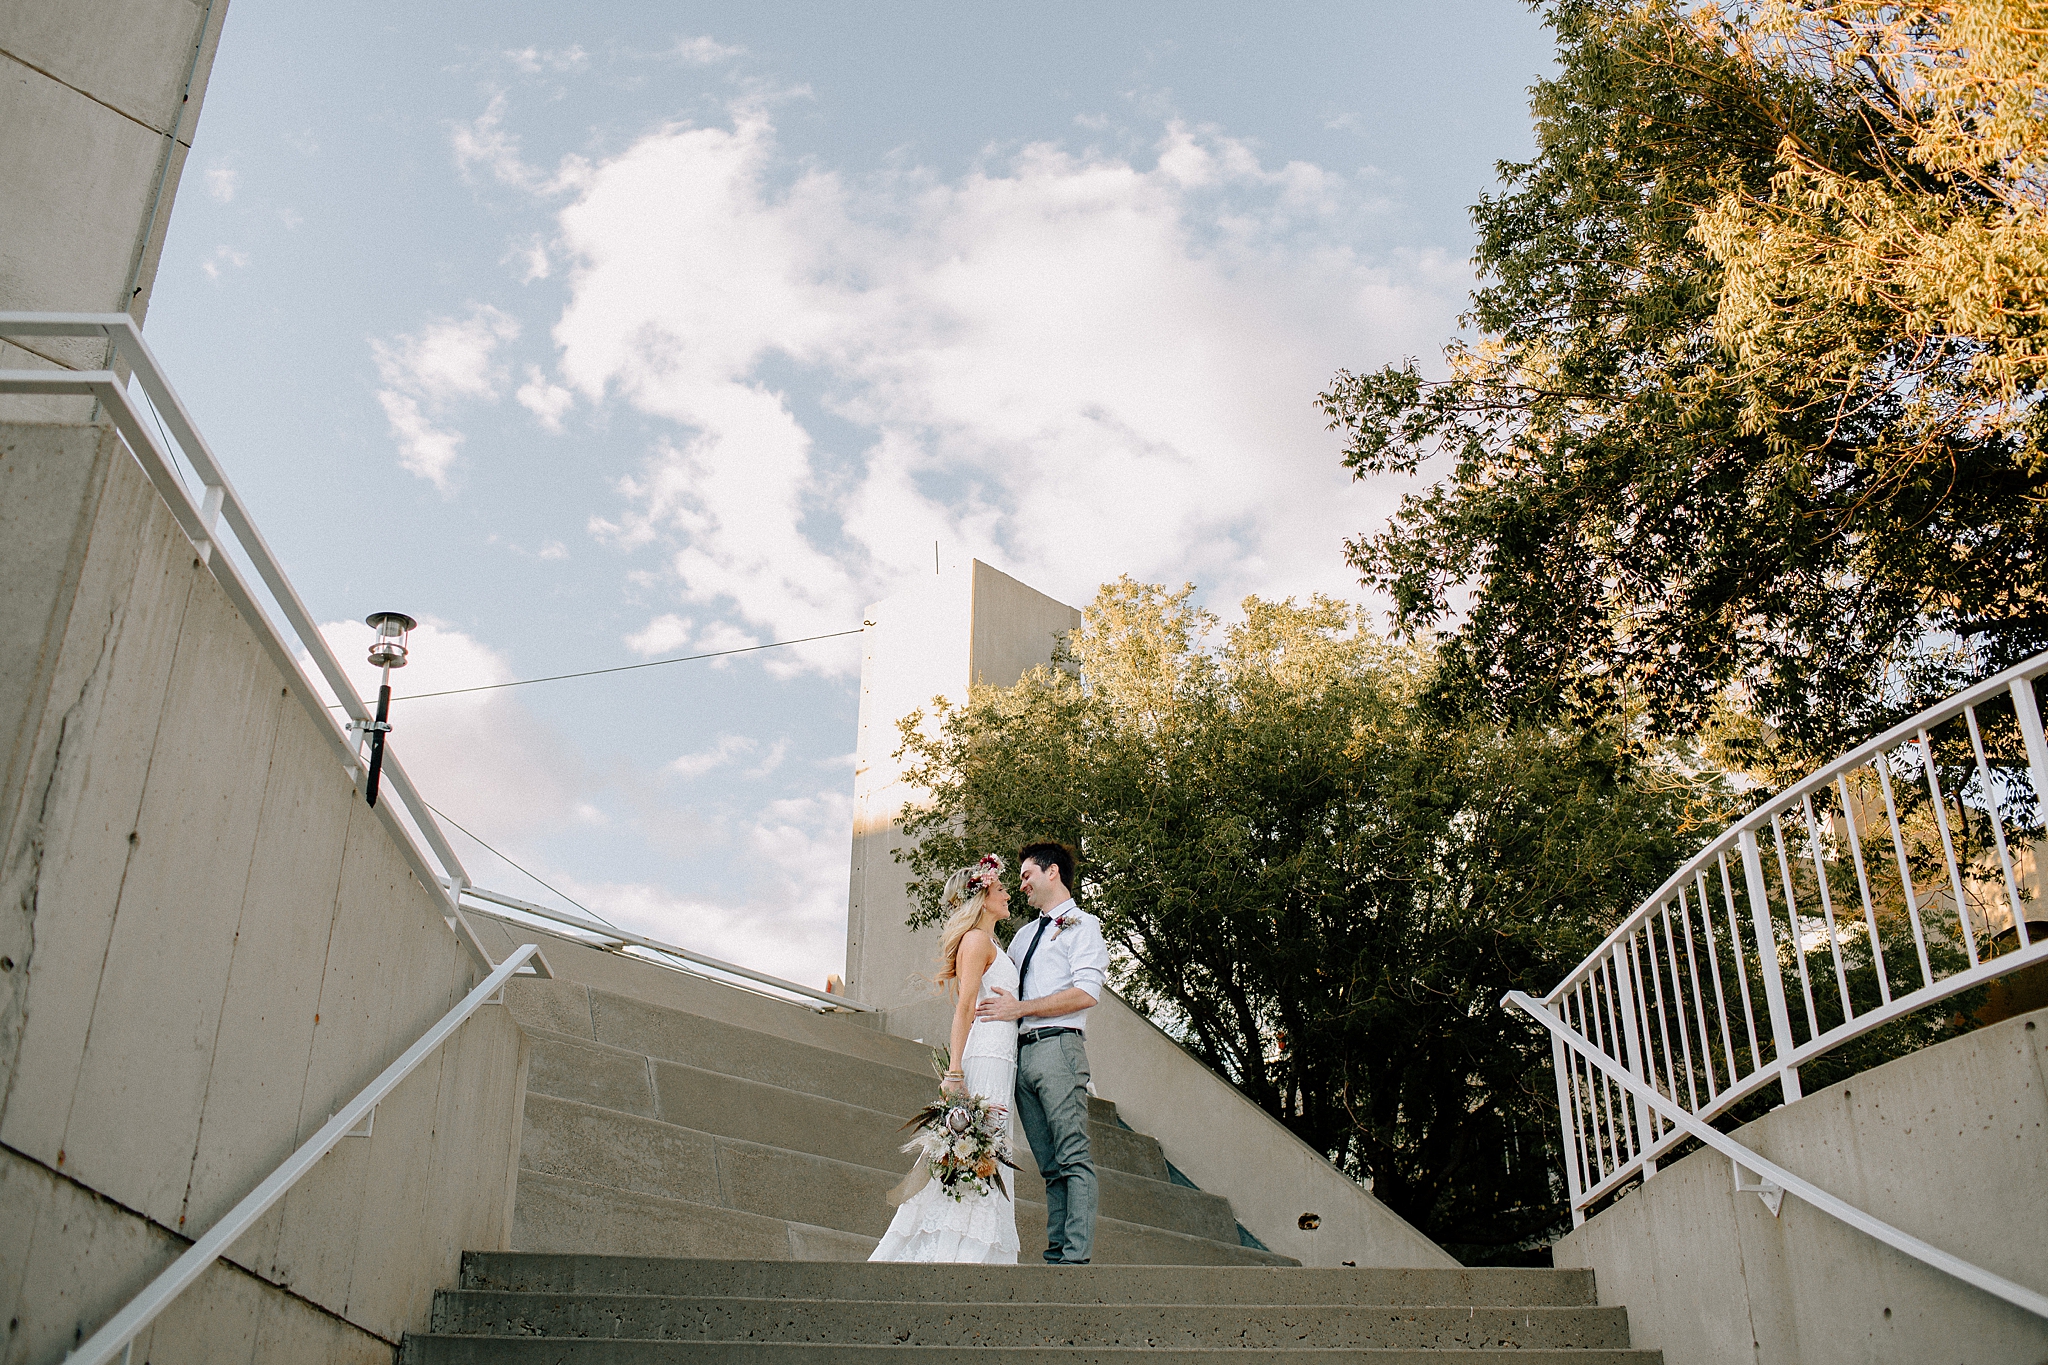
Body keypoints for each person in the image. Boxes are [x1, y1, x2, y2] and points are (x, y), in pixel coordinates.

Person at [868, 855, 1021, 1264]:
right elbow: (965, 1006)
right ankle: (959, 1252)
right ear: (982, 897)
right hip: (984, 1057)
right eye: (1001, 889)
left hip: (1002, 1059)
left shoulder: (994, 944)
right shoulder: (975, 941)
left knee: (988, 1152)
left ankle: (978, 1249)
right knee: (975, 1151)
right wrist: (954, 1073)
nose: (1008, 895)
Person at [974, 840, 1107, 1265]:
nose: (1022, 885)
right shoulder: (1023, 936)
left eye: (1027, 875)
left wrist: (1021, 1009)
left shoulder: (1084, 926)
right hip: (1021, 1056)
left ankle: (1074, 1259)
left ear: (1053, 872)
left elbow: (1086, 993)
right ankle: (1055, 1257)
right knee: (1049, 1165)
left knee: (1073, 1156)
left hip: (1058, 1048)